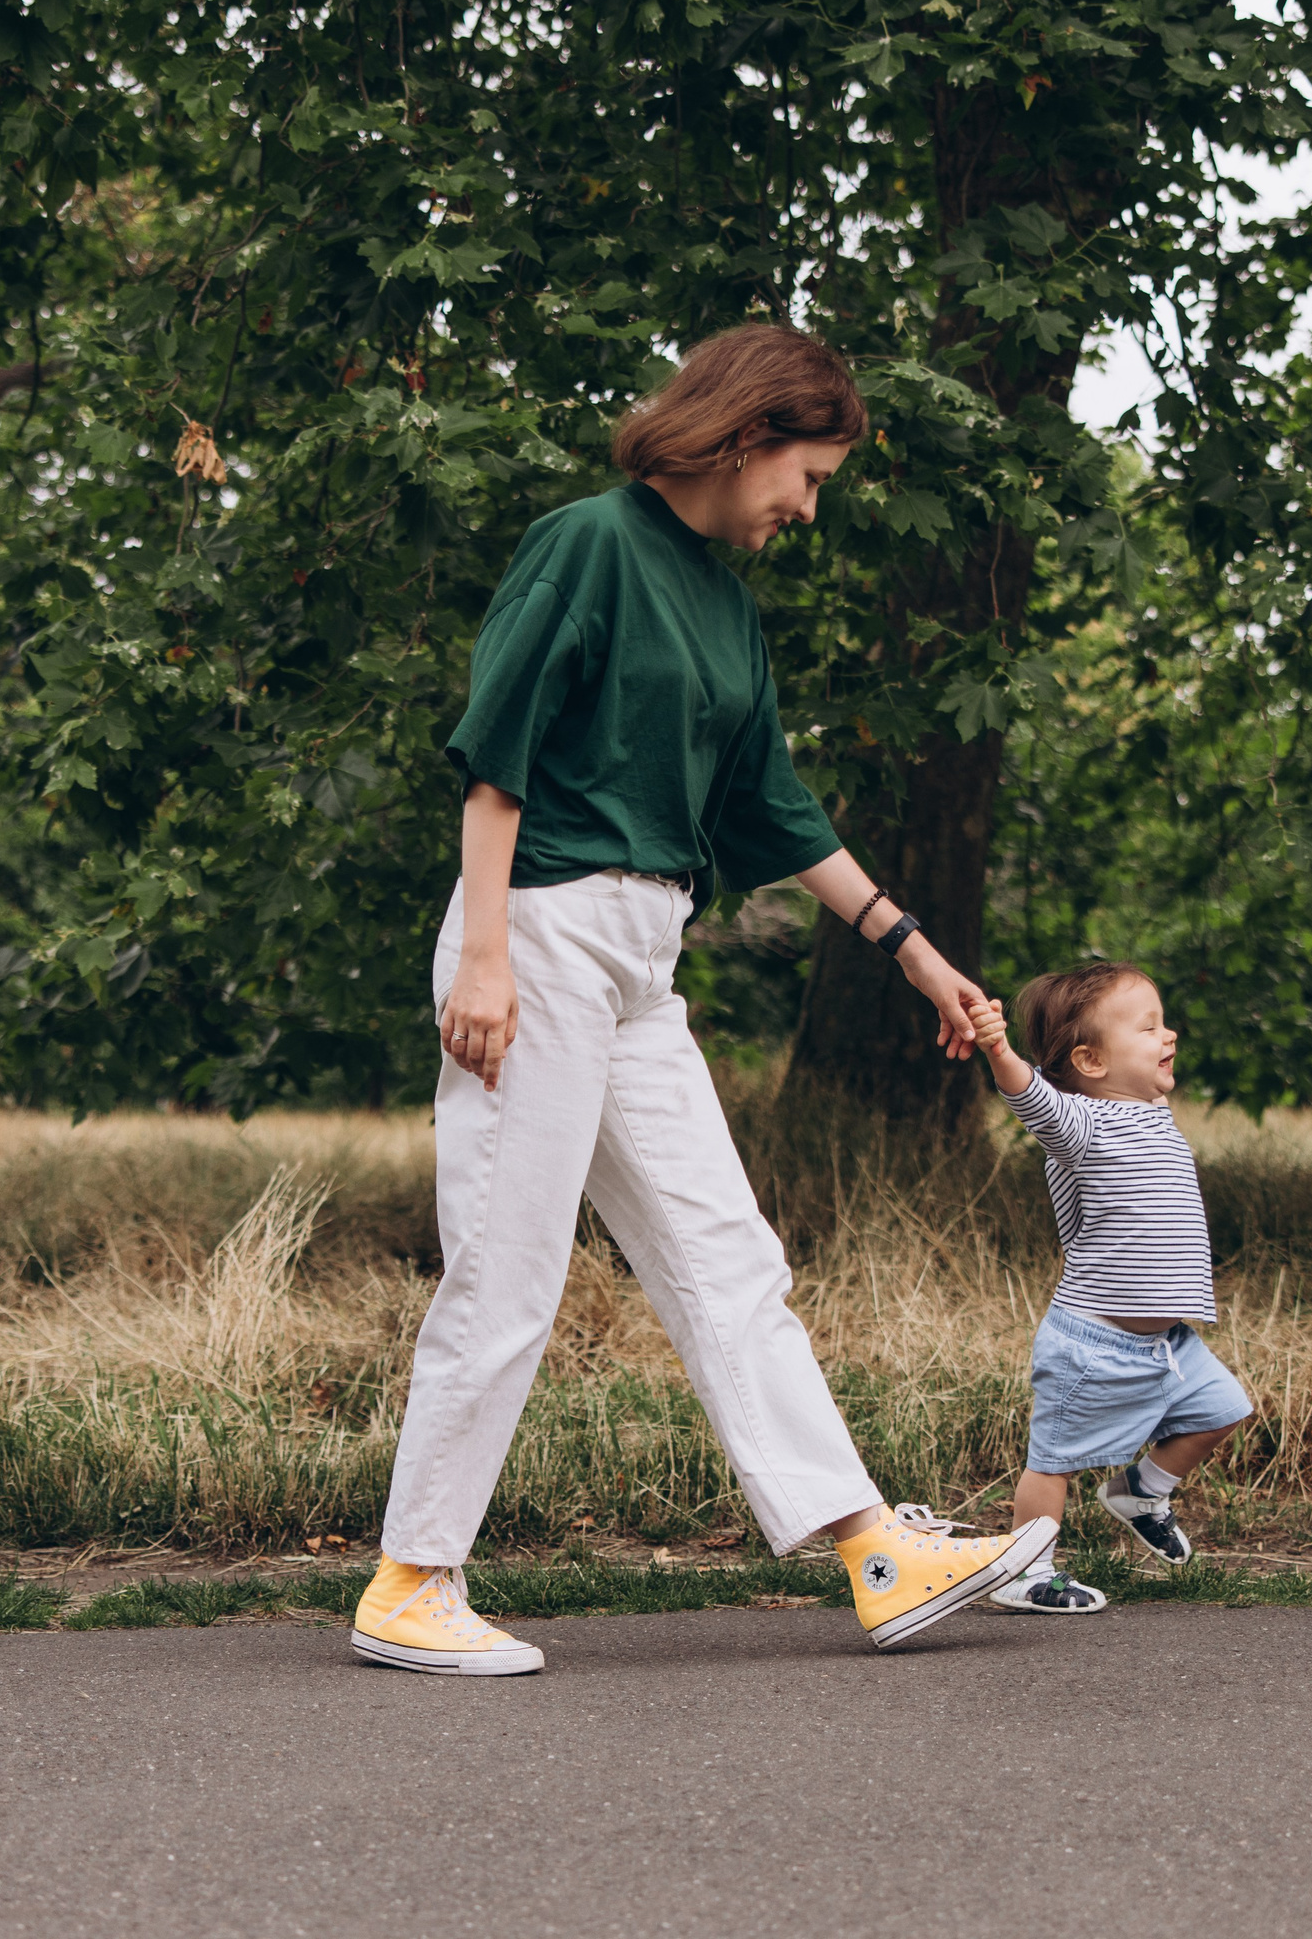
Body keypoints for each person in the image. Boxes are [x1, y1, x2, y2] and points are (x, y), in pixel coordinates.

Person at [350, 325, 1053, 1674]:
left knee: (726, 1257)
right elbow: (498, 754)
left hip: (639, 957)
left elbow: (767, 801)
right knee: (509, 1268)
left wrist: (909, 944)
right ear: (743, 439)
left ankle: (873, 1549)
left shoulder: (726, 602)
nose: (808, 505)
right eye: (808, 474)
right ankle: (409, 1579)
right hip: (540, 931)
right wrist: (485, 955)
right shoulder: (588, 544)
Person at [964, 963, 1253, 1614]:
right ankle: (1024, 1571)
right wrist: (998, 1048)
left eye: (1164, 1021)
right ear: (1089, 1060)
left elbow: (1142, 1081)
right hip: (1095, 1344)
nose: (1169, 1033)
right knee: (1052, 1463)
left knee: (1225, 1410)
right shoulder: (1078, 1127)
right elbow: (1027, 1095)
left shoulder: (1152, 1107)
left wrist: (1148, 1056)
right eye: (1149, 1027)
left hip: (1169, 1347)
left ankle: (1140, 1491)